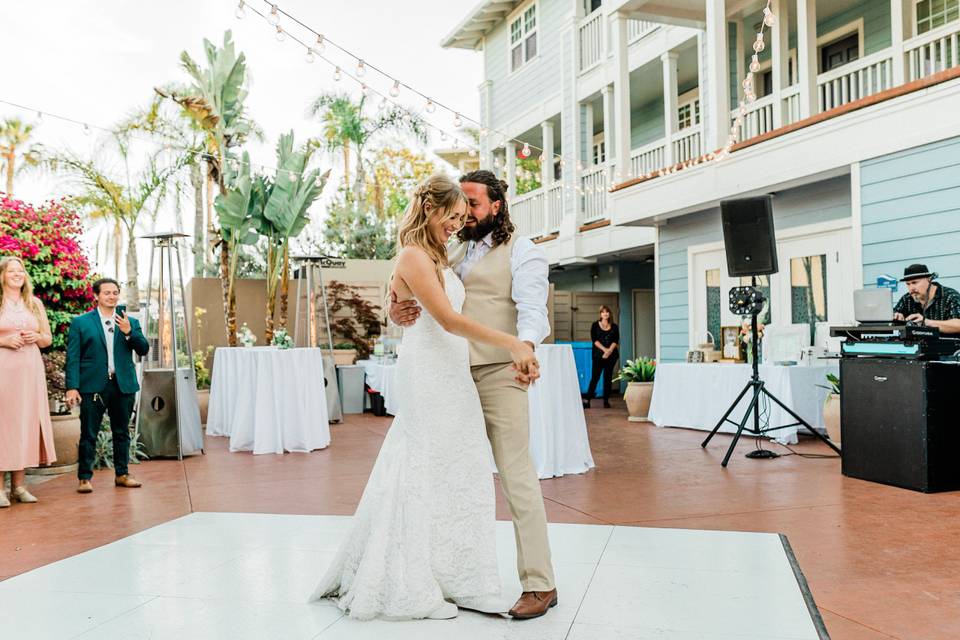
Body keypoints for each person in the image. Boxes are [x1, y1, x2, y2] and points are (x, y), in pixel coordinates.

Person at [311, 174, 541, 620]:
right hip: (433, 372)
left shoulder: (445, 251)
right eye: (453, 215)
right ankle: (415, 582)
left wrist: (395, 302)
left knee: (462, 469)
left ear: (495, 206)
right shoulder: (419, 253)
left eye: (466, 213)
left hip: (453, 372)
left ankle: (462, 577)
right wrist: (513, 343)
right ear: (432, 211)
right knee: (423, 469)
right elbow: (447, 318)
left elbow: (411, 294)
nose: (460, 222)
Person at [388, 170, 558, 620]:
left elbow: (532, 312)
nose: (464, 215)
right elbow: (416, 299)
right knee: (448, 479)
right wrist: (396, 306)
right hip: (450, 377)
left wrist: (524, 351)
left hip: (502, 373)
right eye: (459, 206)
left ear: (497, 205)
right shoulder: (443, 246)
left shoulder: (522, 250)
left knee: (516, 475)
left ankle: (540, 583)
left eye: (473, 206)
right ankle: (443, 575)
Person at [64, 278, 149, 493]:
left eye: (115, 292)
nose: (112, 296)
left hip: (123, 385)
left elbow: (143, 349)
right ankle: (84, 478)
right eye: (107, 293)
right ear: (96, 296)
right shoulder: (81, 323)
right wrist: (72, 387)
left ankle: (122, 474)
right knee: (88, 433)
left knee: (122, 432)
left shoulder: (129, 321)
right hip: (93, 386)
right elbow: (73, 358)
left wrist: (130, 332)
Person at [0, 256, 56, 507]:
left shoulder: (34, 304)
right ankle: (0, 489)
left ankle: (20, 486)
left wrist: (36, 336)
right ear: (2, 275)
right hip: (3, 370)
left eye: (21, 271)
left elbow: (47, 339)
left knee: (25, 422)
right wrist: (3, 341)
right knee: (4, 424)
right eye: (12, 271)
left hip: (29, 371)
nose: (18, 274)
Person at [892, 264, 960, 334]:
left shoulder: (950, 296)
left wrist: (927, 322)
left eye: (914, 282)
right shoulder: (907, 299)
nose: (911, 288)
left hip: (947, 344)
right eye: (908, 284)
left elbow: (958, 325)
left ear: (929, 279)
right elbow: (892, 315)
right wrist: (897, 316)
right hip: (916, 344)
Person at [583, 305, 620, 409]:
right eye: (603, 312)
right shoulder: (595, 325)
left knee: (608, 378)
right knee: (595, 377)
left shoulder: (614, 326)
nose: (605, 314)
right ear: (600, 314)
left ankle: (606, 400)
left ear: (609, 314)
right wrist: (605, 350)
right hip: (598, 355)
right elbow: (595, 340)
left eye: (607, 312)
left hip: (611, 355)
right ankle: (587, 400)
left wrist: (609, 351)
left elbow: (615, 341)